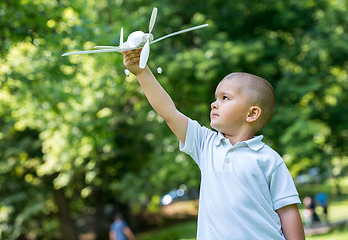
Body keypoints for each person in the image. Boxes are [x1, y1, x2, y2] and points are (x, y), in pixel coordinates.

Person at [122, 49, 305, 239]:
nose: (214, 104)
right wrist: (142, 72)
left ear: (251, 114)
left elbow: (287, 211)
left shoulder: (269, 159)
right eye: (215, 98)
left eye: (225, 98)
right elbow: (169, 112)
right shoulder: (206, 144)